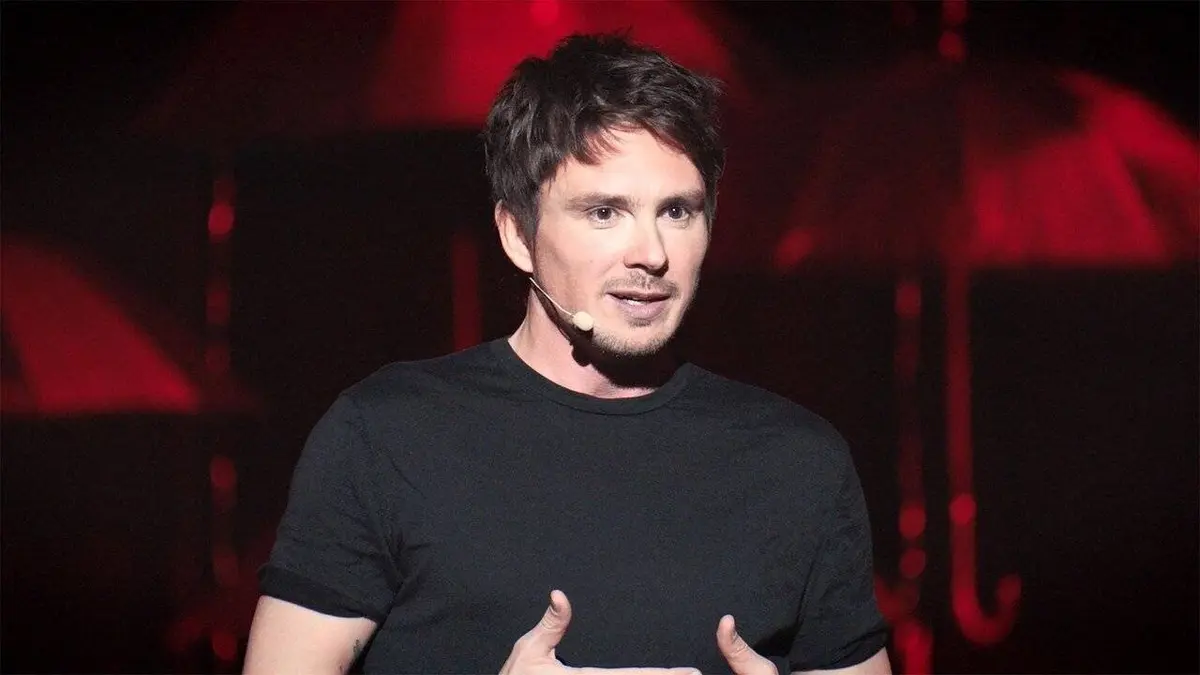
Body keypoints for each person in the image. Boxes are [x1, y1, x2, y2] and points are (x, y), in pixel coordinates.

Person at [244, 33, 890, 675]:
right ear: (516, 235)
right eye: (604, 212)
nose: (651, 253)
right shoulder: (387, 435)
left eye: (677, 211)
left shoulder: (797, 461)